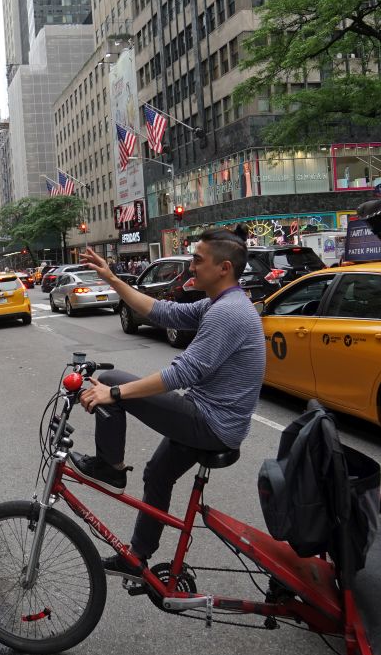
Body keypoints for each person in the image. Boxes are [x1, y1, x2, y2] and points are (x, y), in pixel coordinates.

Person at [71, 232, 266, 578]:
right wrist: (112, 278)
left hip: (212, 423)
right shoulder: (218, 303)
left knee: (112, 379)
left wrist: (116, 394)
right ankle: (137, 559)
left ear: (223, 268)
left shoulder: (228, 313)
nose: (191, 266)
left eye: (198, 260)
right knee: (157, 474)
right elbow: (163, 312)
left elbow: (181, 374)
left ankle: (109, 467)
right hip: (210, 416)